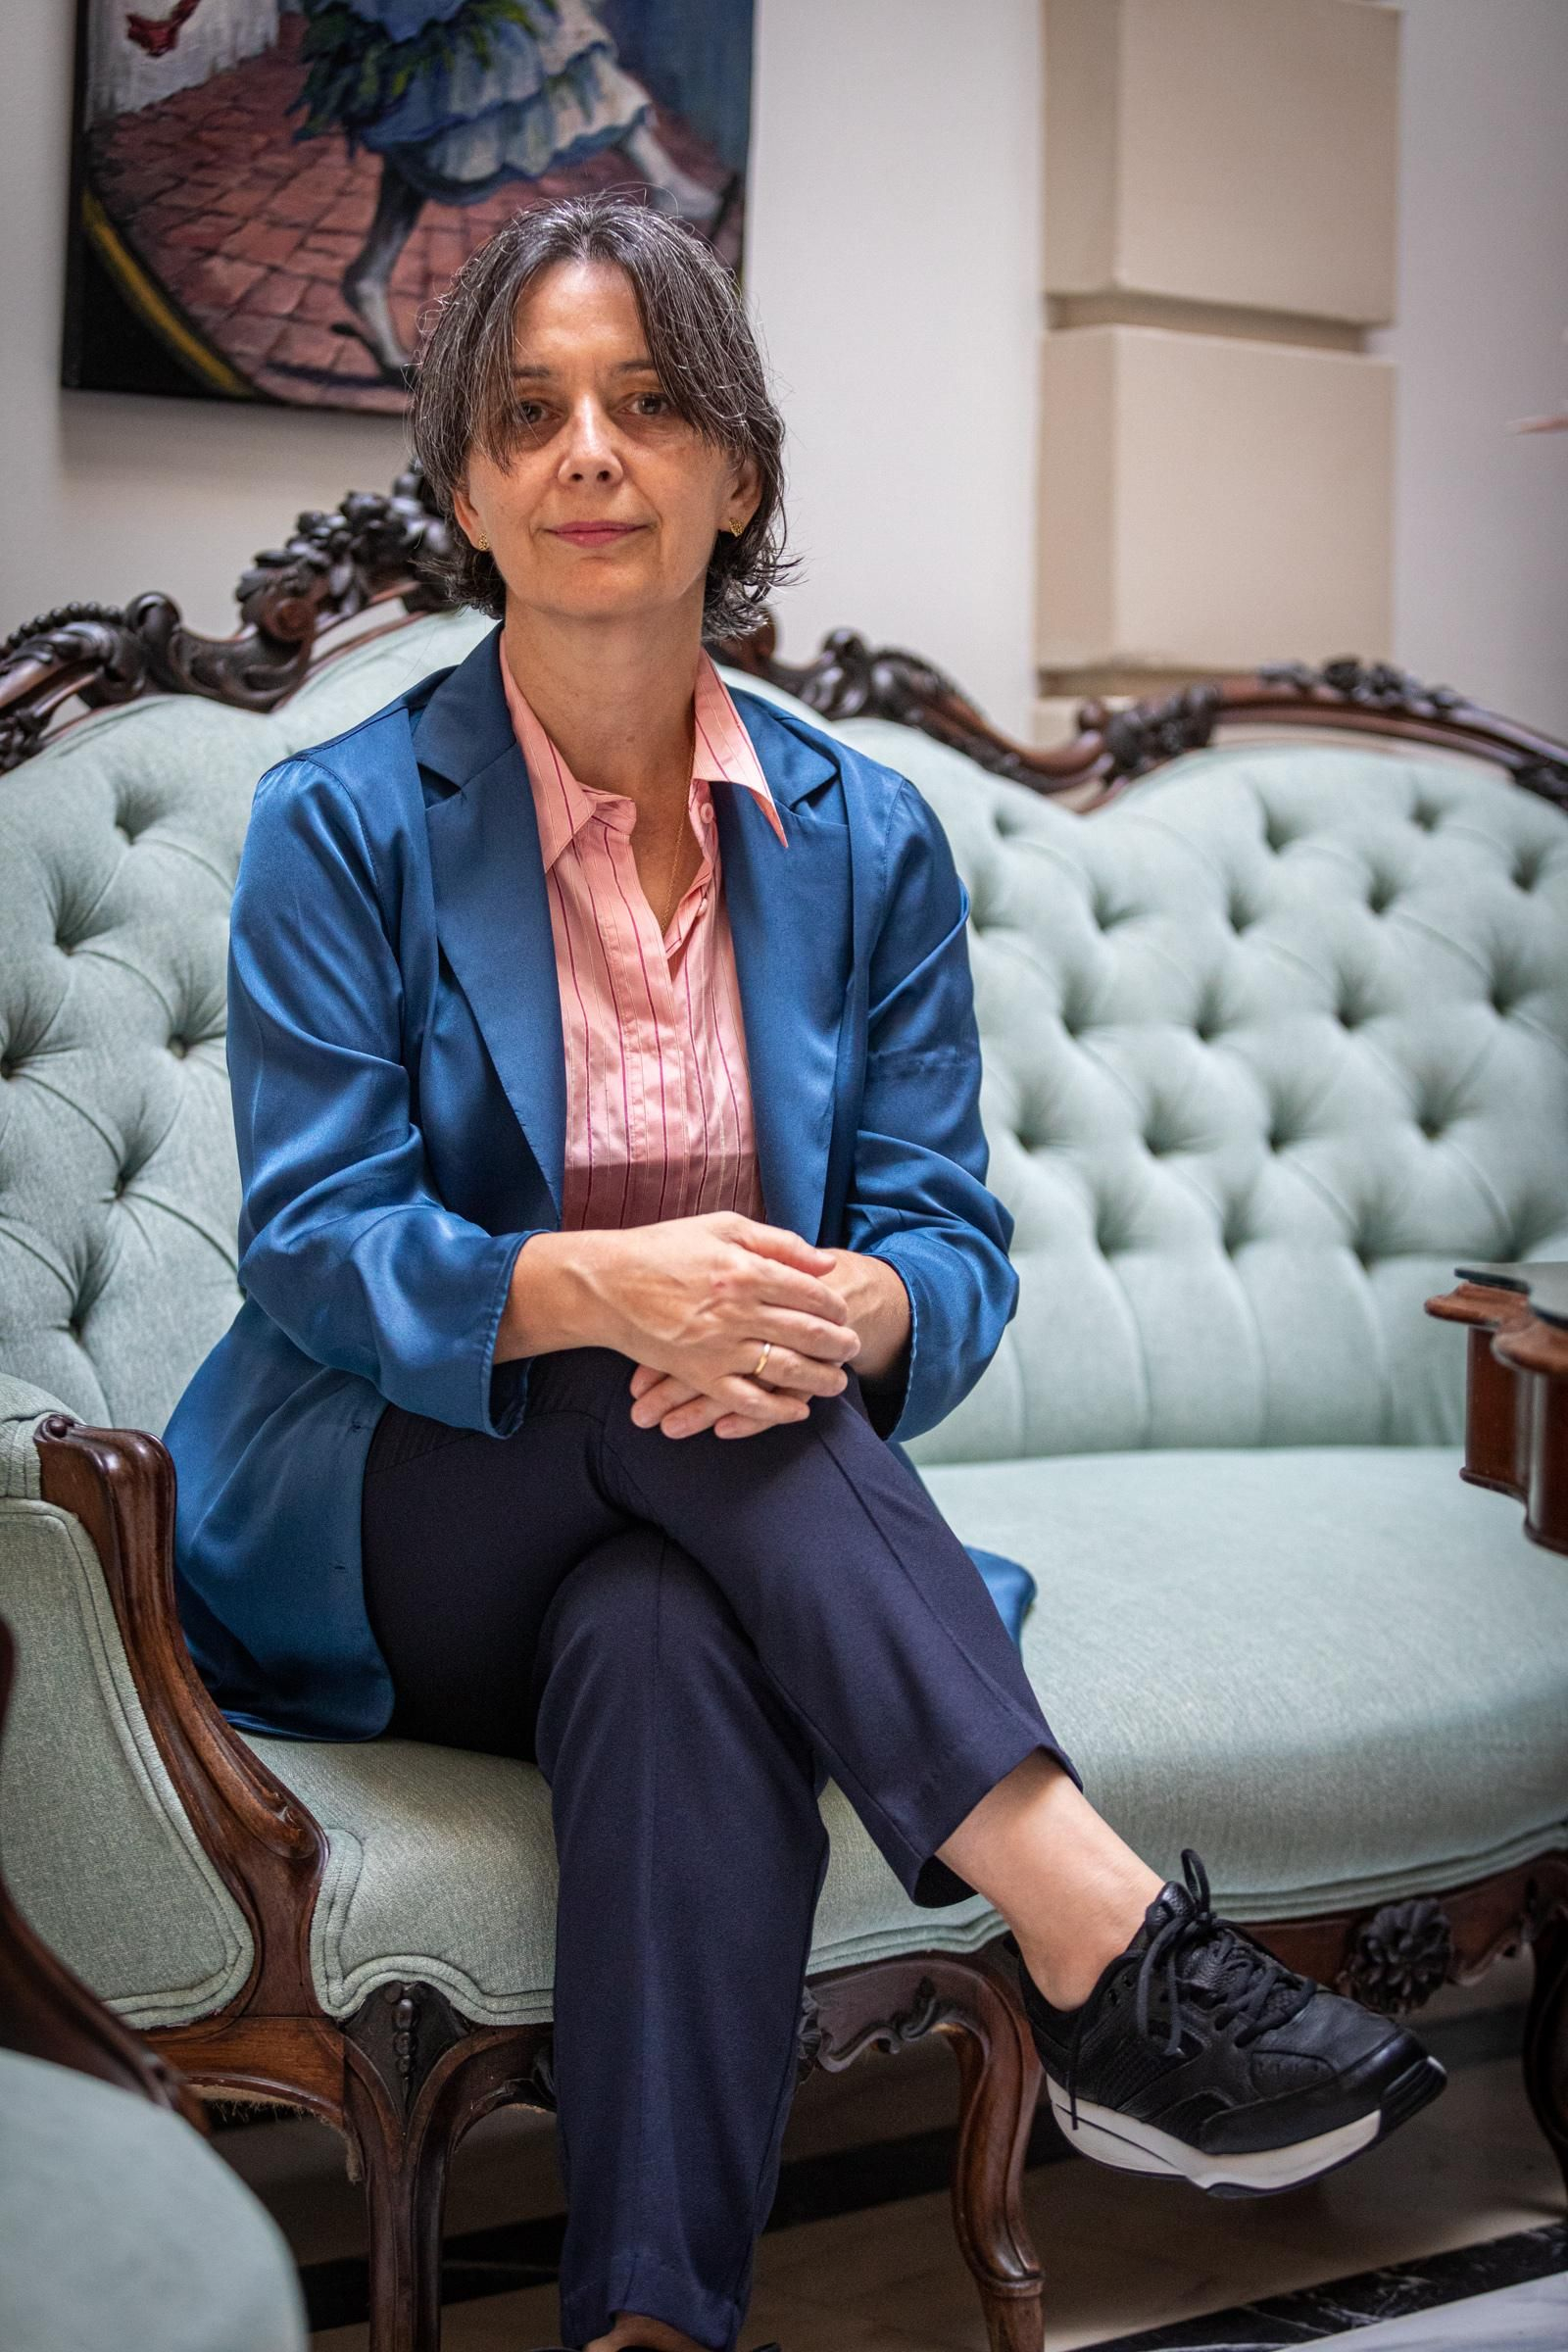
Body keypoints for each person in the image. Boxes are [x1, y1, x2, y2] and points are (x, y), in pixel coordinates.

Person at [162, 193, 1446, 2352]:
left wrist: (859, 1313)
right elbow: (310, 1239)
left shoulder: (860, 842)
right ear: (468, 485)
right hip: (387, 1519)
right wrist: (605, 1292)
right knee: (634, 1351)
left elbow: (942, 1238)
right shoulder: (342, 824)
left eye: (649, 404)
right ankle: (1105, 1949)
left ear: (733, 471)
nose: (591, 451)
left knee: (670, 1630)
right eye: (533, 412)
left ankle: (651, 2326)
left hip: (690, 1519)